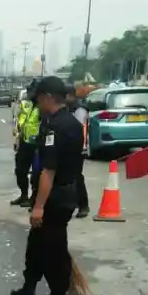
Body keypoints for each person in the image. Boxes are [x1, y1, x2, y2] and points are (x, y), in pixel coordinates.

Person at [10, 76, 84, 295]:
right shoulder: (68, 122)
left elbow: (49, 171)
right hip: (63, 192)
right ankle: (29, 288)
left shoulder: (56, 126)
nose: (38, 104)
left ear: (48, 98)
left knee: (53, 249)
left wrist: (39, 206)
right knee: (36, 244)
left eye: (40, 99)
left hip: (57, 196)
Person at [11, 79, 41, 207]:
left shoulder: (43, 107)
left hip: (37, 145)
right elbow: (21, 121)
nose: (28, 93)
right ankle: (24, 195)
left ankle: (34, 199)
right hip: (24, 142)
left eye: (31, 90)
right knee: (20, 170)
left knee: (36, 174)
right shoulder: (26, 105)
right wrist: (17, 138)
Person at [65, 84, 90, 218]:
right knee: (71, 176)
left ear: (70, 96)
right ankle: (73, 203)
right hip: (72, 147)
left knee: (77, 177)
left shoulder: (79, 109)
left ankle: (83, 205)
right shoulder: (70, 107)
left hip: (79, 147)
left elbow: (78, 129)